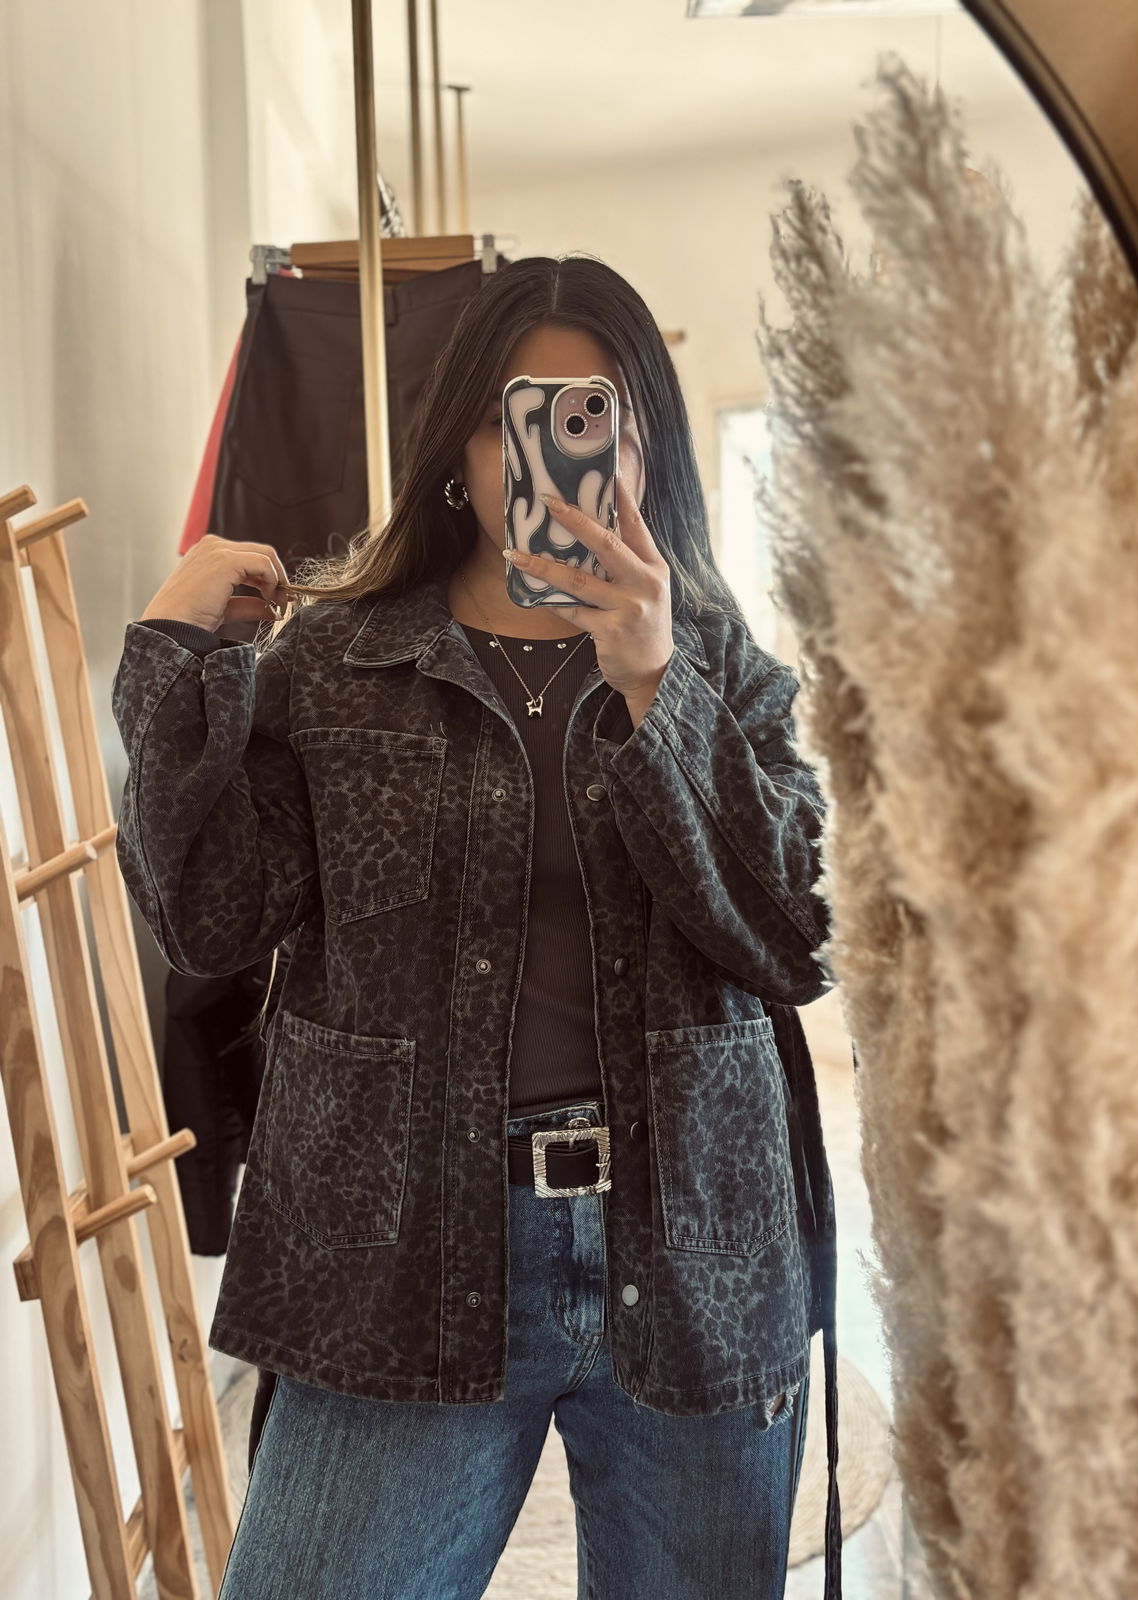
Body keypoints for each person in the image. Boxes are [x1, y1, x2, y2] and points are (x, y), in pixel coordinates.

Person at [112, 254, 842, 1599]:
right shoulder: (338, 659)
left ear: (645, 448)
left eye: (596, 414)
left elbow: (798, 935)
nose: (553, 457)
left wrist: (656, 688)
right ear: (461, 443)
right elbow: (208, 920)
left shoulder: (718, 660)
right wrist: (170, 658)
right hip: (392, 1246)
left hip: (693, 1246)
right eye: (522, 417)